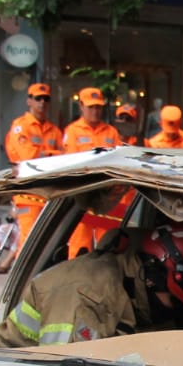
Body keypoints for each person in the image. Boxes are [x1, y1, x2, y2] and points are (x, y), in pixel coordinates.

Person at [0, 218, 183, 348]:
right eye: (175, 301)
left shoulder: (135, 289)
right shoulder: (84, 294)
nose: (174, 312)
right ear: (153, 276)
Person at [62, 89, 126, 258]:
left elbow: (118, 160)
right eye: (91, 107)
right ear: (81, 107)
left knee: (108, 243)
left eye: (98, 107)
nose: (95, 111)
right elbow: (72, 163)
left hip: (107, 196)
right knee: (79, 243)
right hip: (82, 195)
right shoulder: (73, 131)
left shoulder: (111, 132)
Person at [4, 82, 63, 246]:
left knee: (48, 242)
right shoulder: (20, 126)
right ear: (29, 101)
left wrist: (43, 154)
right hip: (28, 193)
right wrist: (52, 155)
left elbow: (66, 158)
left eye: (46, 99)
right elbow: (27, 156)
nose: (42, 103)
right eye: (38, 98)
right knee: (28, 241)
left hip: (50, 193)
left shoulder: (55, 131)